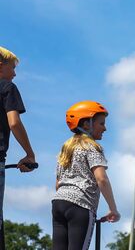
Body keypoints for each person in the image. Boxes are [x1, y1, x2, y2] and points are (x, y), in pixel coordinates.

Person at [52, 101, 121, 250]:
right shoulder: (92, 147)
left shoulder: (66, 148)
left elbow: (58, 183)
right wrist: (113, 209)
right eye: (101, 123)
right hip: (81, 205)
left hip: (59, 203)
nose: (105, 128)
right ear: (86, 124)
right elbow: (101, 179)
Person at [0, 46, 37, 247]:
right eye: (12, 68)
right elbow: (14, 122)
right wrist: (29, 154)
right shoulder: (7, 87)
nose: (14, 73)